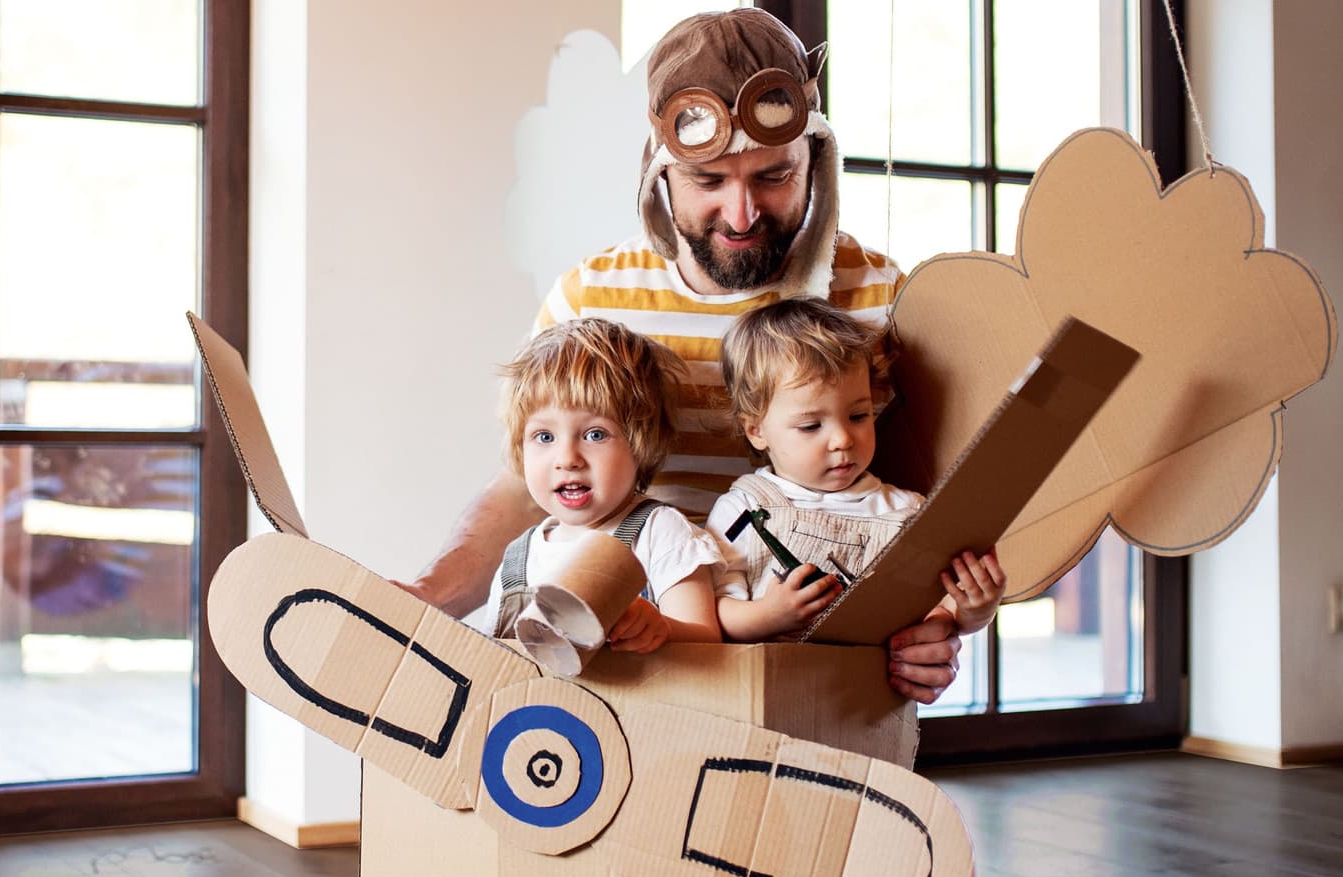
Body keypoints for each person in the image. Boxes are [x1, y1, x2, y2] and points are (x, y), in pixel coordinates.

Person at [403, 8, 963, 701]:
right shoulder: (592, 297)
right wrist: (427, 596)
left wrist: (934, 631)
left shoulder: (879, 293)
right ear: (659, 171)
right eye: (708, 182)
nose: (741, 213)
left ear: (813, 158)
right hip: (634, 660)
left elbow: (924, 506)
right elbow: (528, 485)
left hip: (820, 668)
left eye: (772, 177)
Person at [708, 298, 1005, 642]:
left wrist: (974, 611)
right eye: (810, 426)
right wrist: (770, 616)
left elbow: (937, 612)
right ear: (756, 430)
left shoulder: (908, 513)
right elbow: (716, 611)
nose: (842, 439)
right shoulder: (742, 508)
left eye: (858, 416)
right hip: (775, 687)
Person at [485, 318, 724, 653]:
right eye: (544, 437)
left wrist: (661, 628)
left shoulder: (659, 531)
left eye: (594, 435)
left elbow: (709, 639)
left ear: (640, 444)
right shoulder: (517, 561)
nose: (567, 458)